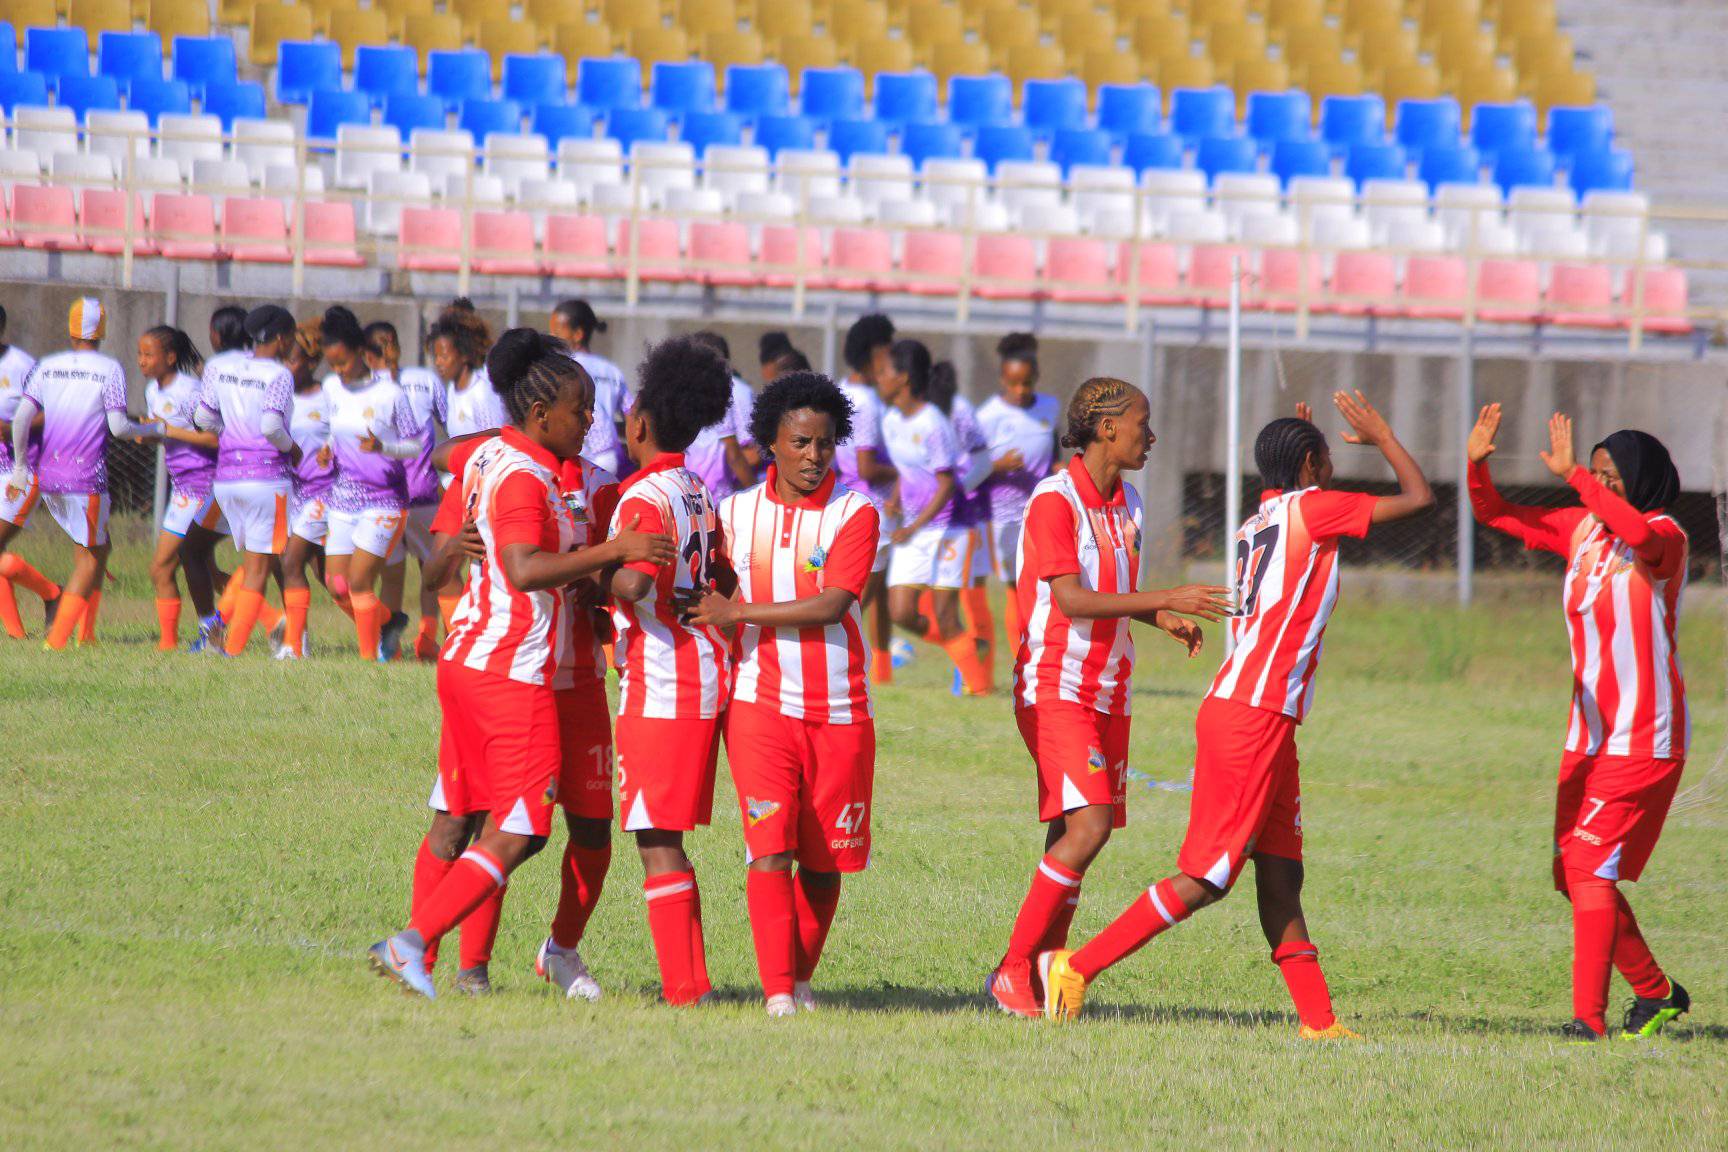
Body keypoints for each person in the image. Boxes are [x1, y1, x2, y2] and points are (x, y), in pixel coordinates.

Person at [1040, 393, 1434, 1039]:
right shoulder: (1314, 506)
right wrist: (1383, 434)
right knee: (1208, 877)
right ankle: (1077, 967)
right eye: (1324, 455)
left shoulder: (1260, 520)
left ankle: (1319, 1021)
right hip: (1253, 715)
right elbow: (1419, 498)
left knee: (1281, 872)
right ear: (1313, 464)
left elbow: (1295, 503)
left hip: (1260, 712)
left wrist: (1297, 444)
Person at [369, 329, 675, 999]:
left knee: (576, 828)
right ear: (540, 412)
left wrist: (608, 581)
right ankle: (429, 950)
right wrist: (612, 553)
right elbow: (493, 565)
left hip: (546, 672)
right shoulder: (512, 470)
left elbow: (579, 574)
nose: (593, 420)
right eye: (581, 407)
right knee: (497, 824)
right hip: (509, 669)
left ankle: (535, 953)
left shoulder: (578, 480)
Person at [984, 376, 1227, 1017]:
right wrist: (1165, 598)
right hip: (1054, 685)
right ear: (1106, 428)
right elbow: (1069, 598)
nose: (1152, 434)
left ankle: (1047, 975)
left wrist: (1156, 618)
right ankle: (1010, 972)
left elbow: (1108, 590)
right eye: (1143, 422)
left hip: (1110, 690)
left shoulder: (1131, 501)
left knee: (1074, 834)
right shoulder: (1053, 502)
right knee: (1088, 827)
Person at [1467, 405, 1692, 1040]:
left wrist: (1576, 479)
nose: (1603, 483)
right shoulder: (1585, 528)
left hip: (1644, 734)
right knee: (1573, 873)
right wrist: (1476, 466)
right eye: (1597, 472)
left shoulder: (1667, 534)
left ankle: (1587, 1022)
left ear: (1643, 477)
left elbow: (1644, 542)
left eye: (1613, 474)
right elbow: (1497, 514)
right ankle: (1657, 992)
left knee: (1589, 865)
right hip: (1590, 735)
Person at [685, 370, 881, 1016]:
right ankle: (777, 995)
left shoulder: (856, 513)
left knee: (825, 866)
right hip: (759, 707)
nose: (813, 456)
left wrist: (739, 615)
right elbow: (698, 590)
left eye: (825, 444)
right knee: (771, 849)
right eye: (800, 442)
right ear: (771, 441)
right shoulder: (735, 514)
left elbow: (831, 606)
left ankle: (798, 978)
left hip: (841, 711)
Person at [606, 335, 735, 1006]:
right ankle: (689, 983)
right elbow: (722, 571)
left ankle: (688, 988)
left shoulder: (643, 497)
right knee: (663, 834)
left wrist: (594, 567)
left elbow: (631, 583)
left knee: (657, 839)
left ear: (641, 424)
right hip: (701, 671)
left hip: (663, 680)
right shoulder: (697, 489)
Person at [6, 298, 158, 650]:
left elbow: (21, 419)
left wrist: (19, 467)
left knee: (97, 548)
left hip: (49, 478)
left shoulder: (48, 366)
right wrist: (154, 431)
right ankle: (58, 639)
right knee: (91, 559)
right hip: (86, 478)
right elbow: (119, 428)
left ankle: (85, 636)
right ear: (102, 330)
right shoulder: (109, 368)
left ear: (71, 328)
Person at [878, 339, 991, 696]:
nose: (879, 377)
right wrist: (896, 499)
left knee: (945, 617)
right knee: (901, 612)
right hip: (915, 529)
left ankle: (979, 689)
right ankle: (969, 647)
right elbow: (906, 469)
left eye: (885, 371)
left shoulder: (933, 424)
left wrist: (912, 525)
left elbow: (945, 484)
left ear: (904, 377)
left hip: (949, 531)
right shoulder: (893, 420)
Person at [194, 304, 302, 657]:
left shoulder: (220, 369)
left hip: (226, 479)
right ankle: (232, 650)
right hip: (266, 478)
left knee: (254, 565)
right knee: (259, 570)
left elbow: (201, 416)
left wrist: (228, 435)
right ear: (283, 339)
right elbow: (272, 426)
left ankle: (228, 639)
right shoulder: (279, 375)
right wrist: (294, 449)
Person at [320, 306, 420, 661]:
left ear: (361, 352)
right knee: (337, 586)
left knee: (361, 583)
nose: (338, 371)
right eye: (332, 364)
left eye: (343, 362)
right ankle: (390, 623)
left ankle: (367, 661)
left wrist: (383, 447)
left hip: (384, 501)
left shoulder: (389, 393)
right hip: (343, 500)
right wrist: (327, 451)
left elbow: (415, 444)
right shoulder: (332, 388)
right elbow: (335, 432)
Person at [140, 326, 228, 651]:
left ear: (171, 357)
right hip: (182, 488)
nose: (142, 361)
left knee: (162, 565)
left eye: (149, 354)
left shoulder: (191, 391)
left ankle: (171, 643)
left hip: (203, 485)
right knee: (207, 571)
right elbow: (165, 432)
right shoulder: (153, 391)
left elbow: (213, 438)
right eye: (140, 354)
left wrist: (168, 430)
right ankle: (269, 618)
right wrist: (147, 433)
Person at [976, 333, 1060, 653]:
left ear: (1035, 378)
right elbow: (967, 474)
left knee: (1035, 586)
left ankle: (1031, 654)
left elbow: (1052, 449)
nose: (1020, 391)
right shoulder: (987, 417)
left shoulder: (1049, 408)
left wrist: (1058, 467)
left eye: (1026, 383)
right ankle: (1006, 658)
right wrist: (998, 464)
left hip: (1037, 512)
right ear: (1003, 378)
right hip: (998, 518)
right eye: (1014, 384)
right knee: (1010, 588)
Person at [367, 320, 446, 661]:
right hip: (424, 493)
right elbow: (451, 426)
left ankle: (388, 648)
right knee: (437, 572)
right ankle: (427, 639)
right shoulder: (426, 381)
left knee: (391, 577)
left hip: (381, 496)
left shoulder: (362, 388)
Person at [430, 298, 502, 630]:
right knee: (441, 567)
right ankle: (458, 633)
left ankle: (470, 633)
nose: (439, 362)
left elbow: (495, 440)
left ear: (464, 355)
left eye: (445, 355)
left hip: (479, 490)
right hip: (454, 490)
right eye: (435, 355)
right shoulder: (451, 390)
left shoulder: (482, 391)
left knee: (478, 569)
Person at [833, 315, 898, 683]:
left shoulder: (841, 390)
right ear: (874, 354)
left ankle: (884, 672)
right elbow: (868, 466)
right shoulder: (869, 402)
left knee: (878, 593)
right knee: (858, 600)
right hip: (871, 509)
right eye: (888, 352)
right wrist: (905, 469)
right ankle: (837, 665)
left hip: (842, 502)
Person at [928, 360, 996, 694]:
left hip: (967, 519)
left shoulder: (961, 412)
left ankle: (978, 679)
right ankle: (969, 653)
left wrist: (955, 490)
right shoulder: (916, 414)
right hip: (930, 520)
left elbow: (983, 462)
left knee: (969, 597)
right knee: (924, 604)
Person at [278, 323, 336, 658]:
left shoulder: (327, 394)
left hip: (324, 492)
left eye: (294, 360)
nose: (287, 367)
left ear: (312, 363)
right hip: (294, 492)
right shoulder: (280, 396)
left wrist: (329, 447)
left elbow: (342, 431)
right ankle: (381, 627)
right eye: (283, 359)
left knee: (291, 560)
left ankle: (294, 646)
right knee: (328, 577)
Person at [0, 304, 53, 639]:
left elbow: (51, 412)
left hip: (20, 470)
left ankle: (54, 594)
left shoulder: (22, 366)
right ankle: (17, 634)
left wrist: (12, 428)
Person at [549, 299, 627, 476]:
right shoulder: (611, 370)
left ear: (577, 334)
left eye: (556, 331)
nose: (551, 336)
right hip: (610, 456)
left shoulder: (566, 366)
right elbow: (629, 413)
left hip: (581, 456)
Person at [682, 330, 757, 501]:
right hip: (716, 492)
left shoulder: (683, 391)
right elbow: (747, 454)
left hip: (689, 488)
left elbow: (744, 452)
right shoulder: (734, 391)